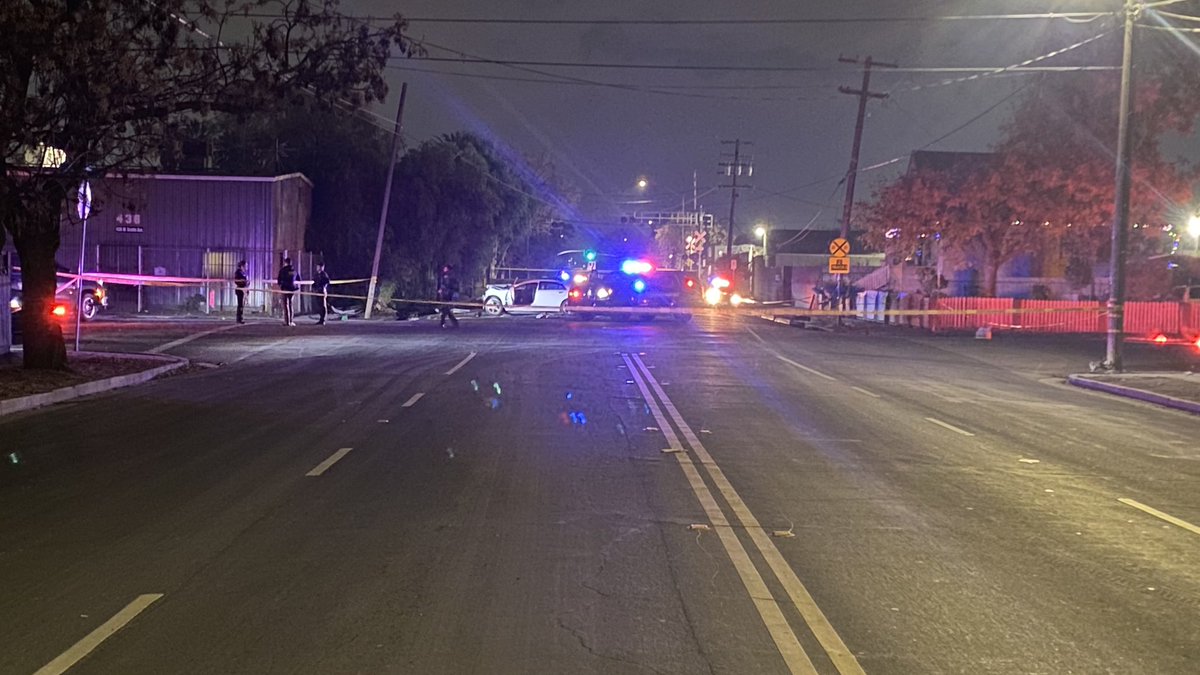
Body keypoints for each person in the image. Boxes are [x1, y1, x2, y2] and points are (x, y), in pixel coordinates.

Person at [277, 257, 297, 326]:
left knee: (285, 305)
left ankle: (287, 321)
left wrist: (281, 285)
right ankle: (291, 320)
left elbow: (279, 280)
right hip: (292, 289)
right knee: (291, 305)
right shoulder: (294, 270)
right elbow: (298, 279)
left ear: (285, 263)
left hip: (285, 289)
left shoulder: (283, 270)